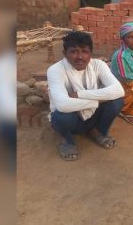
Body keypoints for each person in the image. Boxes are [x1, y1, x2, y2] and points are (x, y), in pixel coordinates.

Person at [48, 31, 125, 161]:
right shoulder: (55, 70)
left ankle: (97, 131)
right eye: (74, 52)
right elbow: (62, 105)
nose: (80, 57)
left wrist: (79, 94)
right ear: (64, 54)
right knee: (62, 115)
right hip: (71, 118)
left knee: (117, 101)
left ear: (91, 53)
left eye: (84, 51)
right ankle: (67, 140)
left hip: (92, 115)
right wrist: (98, 101)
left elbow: (118, 90)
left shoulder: (98, 65)